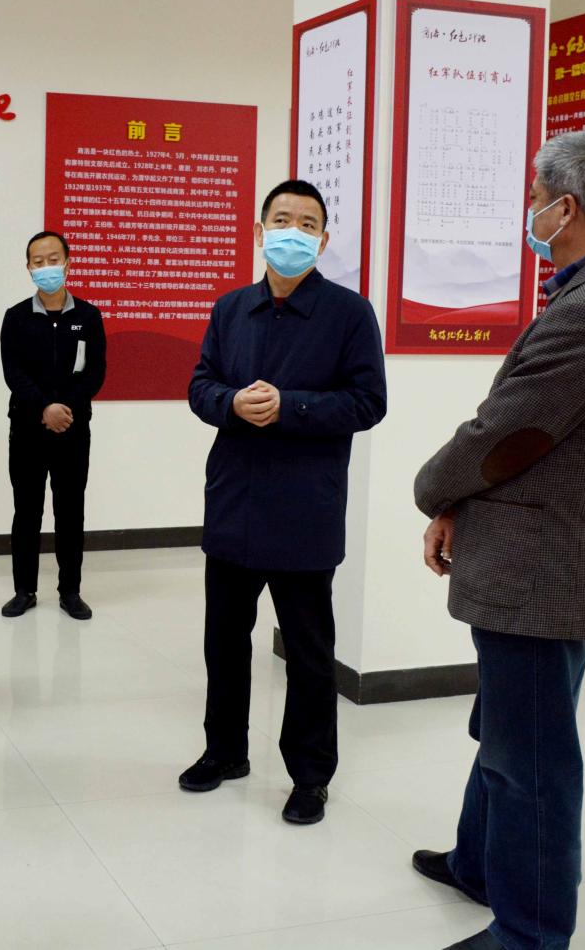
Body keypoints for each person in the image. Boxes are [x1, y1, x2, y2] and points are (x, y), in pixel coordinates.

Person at [412, 131, 585, 950]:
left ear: (568, 208)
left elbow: (506, 432)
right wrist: (461, 504)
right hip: (535, 556)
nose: (530, 211)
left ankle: (531, 933)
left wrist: (434, 490)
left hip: (539, 572)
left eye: (536, 197)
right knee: (506, 732)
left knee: (533, 764)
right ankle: (478, 864)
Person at [180, 179, 387, 826]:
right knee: (223, 641)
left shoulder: (350, 314)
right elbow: (200, 385)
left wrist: (290, 407)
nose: (292, 232)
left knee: (307, 652)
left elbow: (368, 402)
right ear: (259, 231)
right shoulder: (230, 308)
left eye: (307, 224)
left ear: (322, 241)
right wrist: (231, 402)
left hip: (305, 509)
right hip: (234, 501)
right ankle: (224, 751)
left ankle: (309, 776)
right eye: (281, 220)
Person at [0, 230, 107, 619]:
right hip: (27, 429)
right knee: (26, 511)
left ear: (67, 262)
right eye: (38, 261)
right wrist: (45, 407)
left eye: (53, 259)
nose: (46, 267)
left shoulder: (88, 316)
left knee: (70, 510)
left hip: (73, 429)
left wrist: (65, 408)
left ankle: (70, 591)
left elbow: (94, 372)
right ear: (28, 267)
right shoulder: (16, 317)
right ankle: (24, 590)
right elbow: (13, 372)